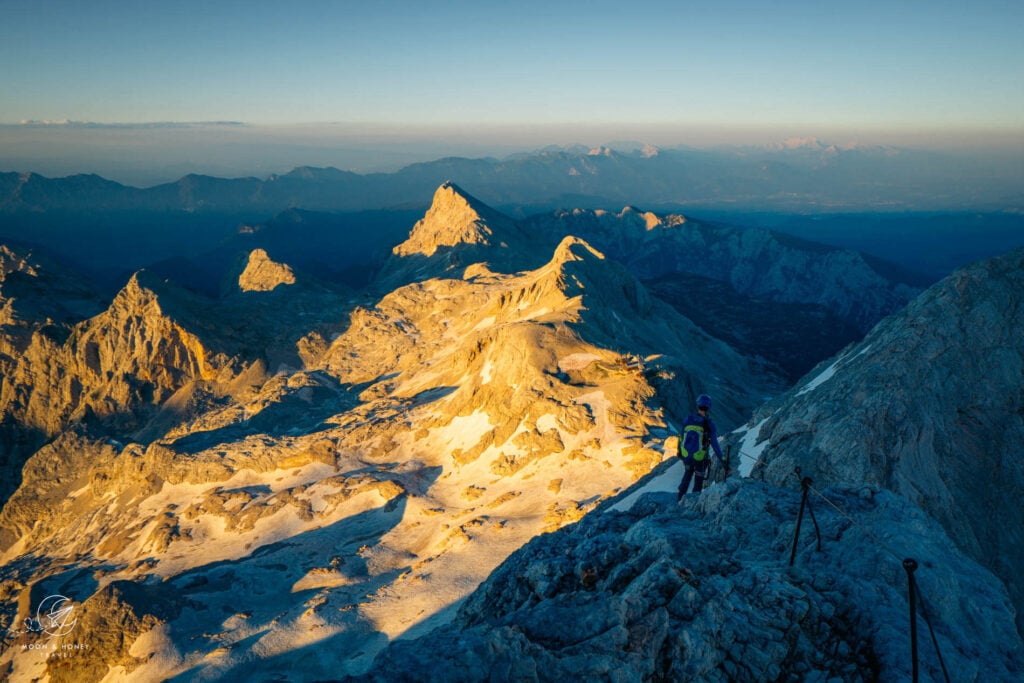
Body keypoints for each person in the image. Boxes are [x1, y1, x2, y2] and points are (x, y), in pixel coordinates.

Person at [676, 393, 727, 500]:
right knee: (698, 479)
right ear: (709, 407)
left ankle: (679, 498)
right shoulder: (709, 424)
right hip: (700, 456)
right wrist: (721, 458)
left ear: (697, 405)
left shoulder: (688, 419)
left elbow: (681, 436)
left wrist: (680, 451)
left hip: (686, 454)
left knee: (687, 473)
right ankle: (694, 501)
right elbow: (714, 443)